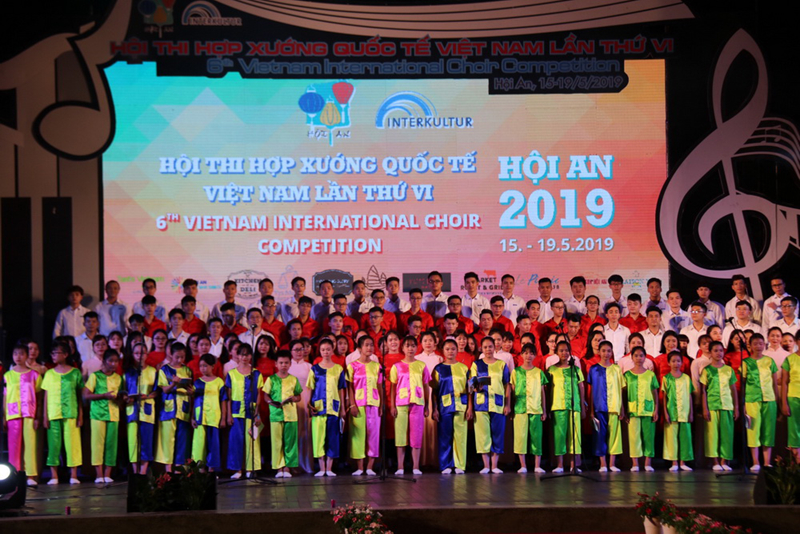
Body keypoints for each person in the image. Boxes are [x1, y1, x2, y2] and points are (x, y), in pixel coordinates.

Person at [42, 341, 84, 485]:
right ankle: (54, 476)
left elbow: (79, 396)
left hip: (71, 412)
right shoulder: (49, 374)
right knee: (54, 445)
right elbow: (46, 396)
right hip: (53, 413)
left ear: (65, 354)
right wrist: (45, 416)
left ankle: (74, 474)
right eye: (52, 353)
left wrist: (80, 414)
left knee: (73, 444)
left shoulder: (75, 373)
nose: (53, 356)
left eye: (56, 353)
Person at [390, 336, 431, 475]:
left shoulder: (421, 366)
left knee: (416, 435)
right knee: (400, 435)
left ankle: (416, 466)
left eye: (413, 346)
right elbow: (393, 387)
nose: (410, 349)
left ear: (417, 348)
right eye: (407, 346)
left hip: (417, 403)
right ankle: (400, 467)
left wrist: (427, 405)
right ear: (402, 348)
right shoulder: (396, 366)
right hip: (401, 403)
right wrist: (392, 405)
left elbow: (426, 386)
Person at [3, 343, 42, 486]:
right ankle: (14, 475)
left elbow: (39, 397)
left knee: (30, 444)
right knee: (14, 446)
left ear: (26, 356)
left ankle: (30, 475)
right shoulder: (8, 375)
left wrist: (38, 416)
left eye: (21, 353)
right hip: (13, 413)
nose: (18, 357)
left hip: (29, 412)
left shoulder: (34, 375)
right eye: (15, 354)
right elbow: (5, 396)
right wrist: (4, 415)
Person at [471, 336, 511, 474]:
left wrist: (507, 404)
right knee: (483, 435)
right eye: (485, 347)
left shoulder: (502, 365)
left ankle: (494, 466)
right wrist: (477, 388)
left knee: (497, 434)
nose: (488, 349)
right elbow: (471, 384)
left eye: (490, 346)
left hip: (497, 403)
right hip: (481, 404)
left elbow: (507, 385)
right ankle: (486, 466)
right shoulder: (476, 364)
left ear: (495, 347)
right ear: (481, 349)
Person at [432, 339, 472, 475]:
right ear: (443, 351)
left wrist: (470, 407)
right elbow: (434, 391)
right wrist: (435, 408)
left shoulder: (464, 368)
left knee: (461, 436)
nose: (450, 352)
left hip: (462, 405)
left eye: (453, 349)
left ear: (457, 350)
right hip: (444, 406)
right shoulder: (438, 369)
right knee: (445, 435)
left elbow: (470, 389)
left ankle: (460, 464)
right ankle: (446, 464)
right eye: (447, 349)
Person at [307, 338, 346, 477]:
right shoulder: (315, 369)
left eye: (328, 349)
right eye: (323, 350)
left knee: (332, 437)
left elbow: (341, 389)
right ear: (320, 351)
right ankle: (321, 467)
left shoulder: (338, 368)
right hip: (318, 407)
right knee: (318, 438)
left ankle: (329, 468)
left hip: (333, 407)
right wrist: (309, 404)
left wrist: (342, 408)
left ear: (332, 350)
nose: (326, 352)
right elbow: (310, 388)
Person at [83, 349, 122, 483]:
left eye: (116, 361)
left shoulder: (118, 378)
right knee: (97, 444)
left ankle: (108, 474)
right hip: (97, 414)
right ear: (104, 361)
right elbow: (86, 395)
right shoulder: (95, 376)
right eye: (111, 361)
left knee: (111, 444)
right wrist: (103, 395)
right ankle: (99, 474)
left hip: (113, 414)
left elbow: (120, 396)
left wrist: (122, 398)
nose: (113, 364)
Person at [741, 334, 779, 471]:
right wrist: (743, 403)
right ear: (750, 346)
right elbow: (743, 384)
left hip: (769, 399)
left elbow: (774, 382)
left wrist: (777, 400)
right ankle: (755, 462)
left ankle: (767, 462)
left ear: (764, 345)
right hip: (752, 400)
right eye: (755, 343)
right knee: (753, 430)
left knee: (768, 430)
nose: (758, 346)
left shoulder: (769, 361)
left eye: (761, 343)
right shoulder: (745, 362)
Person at [226, 344, 264, 479]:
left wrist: (257, 412)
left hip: (251, 411)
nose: (245, 357)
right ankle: (237, 469)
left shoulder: (256, 373)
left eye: (247, 354)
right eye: (242, 354)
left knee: (252, 441)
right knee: (236, 441)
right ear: (237, 355)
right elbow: (228, 396)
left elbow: (259, 394)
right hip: (236, 411)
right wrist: (229, 414)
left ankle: (250, 468)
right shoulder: (231, 374)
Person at [347, 336, 383, 476]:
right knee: (358, 435)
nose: (369, 348)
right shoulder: (352, 366)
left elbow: (379, 386)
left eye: (371, 345)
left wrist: (381, 404)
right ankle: (360, 467)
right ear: (359, 348)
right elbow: (350, 387)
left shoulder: (377, 366)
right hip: (358, 404)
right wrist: (352, 404)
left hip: (374, 403)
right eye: (366, 345)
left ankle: (370, 467)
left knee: (373, 435)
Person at [701, 340, 739, 471]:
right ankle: (715, 461)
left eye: (721, 350)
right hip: (712, 405)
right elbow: (703, 391)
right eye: (715, 351)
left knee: (727, 434)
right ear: (710, 353)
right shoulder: (707, 370)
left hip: (727, 405)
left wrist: (736, 407)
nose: (719, 353)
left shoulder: (728, 370)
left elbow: (733, 389)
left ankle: (724, 460)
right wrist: (705, 408)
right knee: (713, 434)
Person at [548, 340, 586, 473]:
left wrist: (582, 405)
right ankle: (559, 465)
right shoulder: (552, 369)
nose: (564, 353)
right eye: (561, 350)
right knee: (559, 435)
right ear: (556, 352)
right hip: (558, 405)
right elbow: (548, 389)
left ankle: (573, 465)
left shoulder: (575, 369)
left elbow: (581, 387)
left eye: (566, 350)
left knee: (574, 436)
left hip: (574, 405)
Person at [264, 351, 303, 478]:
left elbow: (298, 396)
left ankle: (287, 467)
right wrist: (270, 402)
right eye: (281, 363)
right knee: (276, 442)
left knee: (290, 442)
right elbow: (265, 395)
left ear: (290, 364)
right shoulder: (271, 379)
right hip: (276, 414)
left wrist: (294, 398)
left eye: (286, 363)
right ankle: (278, 468)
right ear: (276, 364)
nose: (283, 365)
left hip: (291, 415)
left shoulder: (293, 379)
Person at [512, 343, 549, 474]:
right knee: (520, 437)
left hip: (535, 408)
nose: (528, 356)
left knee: (536, 437)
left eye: (531, 353)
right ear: (521, 355)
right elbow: (512, 390)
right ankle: (523, 465)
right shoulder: (516, 372)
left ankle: (537, 465)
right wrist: (511, 408)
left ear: (535, 355)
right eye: (526, 353)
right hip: (520, 408)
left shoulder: (539, 372)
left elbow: (542, 392)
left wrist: (544, 410)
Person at [587, 341, 624, 472]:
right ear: (599, 352)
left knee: (614, 435)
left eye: (609, 351)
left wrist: (622, 409)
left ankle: (612, 463)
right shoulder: (594, 369)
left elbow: (620, 389)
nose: (606, 354)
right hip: (599, 407)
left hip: (614, 407)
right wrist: (591, 410)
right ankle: (602, 464)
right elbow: (591, 391)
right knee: (599, 435)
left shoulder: (617, 369)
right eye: (603, 351)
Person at [156, 342, 193, 472]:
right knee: (168, 440)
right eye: (177, 357)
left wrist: (191, 392)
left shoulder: (187, 370)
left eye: (182, 357)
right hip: (168, 409)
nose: (179, 360)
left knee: (182, 440)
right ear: (171, 354)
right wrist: (173, 384)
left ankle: (178, 469)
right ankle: (168, 470)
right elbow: (164, 390)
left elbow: (190, 388)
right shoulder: (164, 370)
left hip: (183, 409)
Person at [122, 342, 158, 475]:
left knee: (146, 442)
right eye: (136, 353)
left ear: (147, 354)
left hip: (147, 411)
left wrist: (146, 396)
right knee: (133, 442)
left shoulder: (153, 371)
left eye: (142, 353)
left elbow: (156, 391)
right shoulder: (128, 372)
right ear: (132, 355)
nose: (139, 356)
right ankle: (135, 472)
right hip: (132, 411)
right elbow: (124, 391)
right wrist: (126, 398)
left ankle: (143, 473)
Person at [623, 346, 659, 472]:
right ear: (632, 357)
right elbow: (624, 393)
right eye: (636, 355)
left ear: (645, 357)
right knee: (634, 437)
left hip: (648, 409)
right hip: (633, 410)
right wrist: (624, 411)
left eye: (641, 355)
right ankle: (635, 463)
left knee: (648, 436)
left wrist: (656, 409)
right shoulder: (627, 375)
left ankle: (648, 463)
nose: (639, 358)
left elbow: (655, 392)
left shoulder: (650, 375)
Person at [191, 354, 228, 472]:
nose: (203, 368)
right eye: (201, 366)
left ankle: (212, 469)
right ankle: (200, 469)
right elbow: (193, 401)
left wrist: (223, 418)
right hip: (200, 417)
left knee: (213, 444)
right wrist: (192, 417)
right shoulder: (197, 382)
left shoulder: (219, 382)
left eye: (205, 366)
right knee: (199, 444)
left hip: (213, 417)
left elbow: (223, 401)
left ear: (212, 366)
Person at [661, 351, 695, 471]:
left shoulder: (686, 378)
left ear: (682, 362)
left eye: (678, 361)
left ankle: (683, 462)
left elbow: (689, 395)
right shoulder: (666, 378)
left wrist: (691, 412)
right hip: (672, 411)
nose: (676, 363)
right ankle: (674, 462)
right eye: (673, 361)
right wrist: (665, 412)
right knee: (671, 438)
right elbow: (665, 397)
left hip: (684, 412)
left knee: (685, 437)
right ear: (669, 363)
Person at [288, 339, 314, 474]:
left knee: (306, 434)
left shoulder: (309, 366)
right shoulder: (287, 366)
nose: (299, 352)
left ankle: (306, 464)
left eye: (301, 349)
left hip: (305, 401)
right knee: (292, 434)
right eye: (296, 349)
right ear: (291, 351)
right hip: (290, 402)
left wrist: (311, 402)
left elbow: (312, 386)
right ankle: (292, 464)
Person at [781, 331, 800, 461]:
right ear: (797, 341)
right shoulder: (790, 359)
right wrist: (784, 403)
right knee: (794, 430)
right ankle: (797, 462)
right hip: (793, 397)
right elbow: (784, 382)